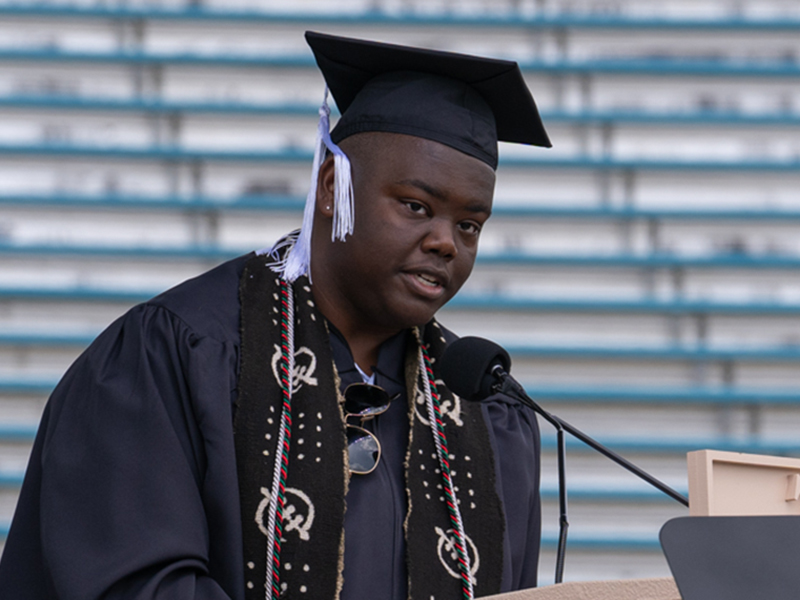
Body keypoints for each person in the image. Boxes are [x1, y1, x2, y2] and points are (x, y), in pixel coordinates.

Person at [0, 32, 551, 600]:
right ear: (334, 186)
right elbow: (136, 586)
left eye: (469, 225)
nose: (445, 242)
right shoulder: (179, 356)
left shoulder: (488, 414)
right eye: (416, 206)